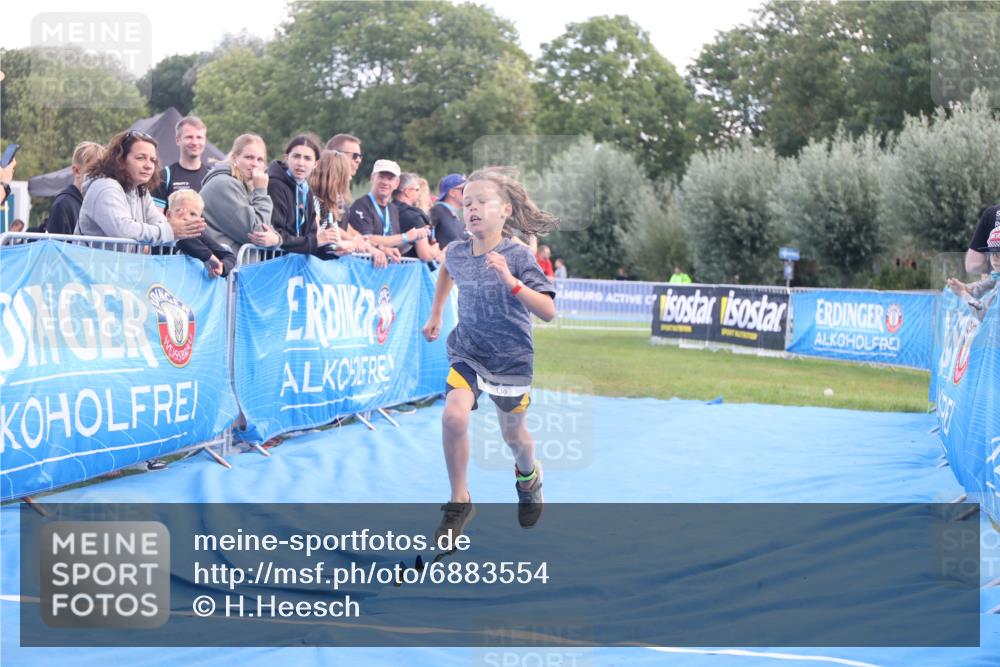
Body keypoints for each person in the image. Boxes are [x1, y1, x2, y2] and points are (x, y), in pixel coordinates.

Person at [422, 166, 558, 540]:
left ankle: (529, 477)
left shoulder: (518, 256)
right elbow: (447, 269)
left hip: (511, 358)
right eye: (467, 203)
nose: (473, 209)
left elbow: (547, 310)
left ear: (506, 210)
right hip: (468, 350)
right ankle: (459, 501)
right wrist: (436, 314)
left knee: (514, 437)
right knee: (453, 417)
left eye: (483, 202)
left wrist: (511, 282)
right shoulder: (457, 251)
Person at [76, 130, 206, 244]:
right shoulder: (105, 187)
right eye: (140, 158)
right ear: (121, 160)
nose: (149, 166)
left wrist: (181, 228)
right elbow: (123, 230)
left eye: (152, 160)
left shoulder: (140, 190)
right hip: (92, 264)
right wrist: (170, 231)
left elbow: (159, 222)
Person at [201, 134, 278, 252]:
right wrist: (261, 191)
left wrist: (276, 239)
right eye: (249, 157)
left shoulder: (243, 185)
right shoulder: (225, 184)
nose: (255, 164)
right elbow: (258, 232)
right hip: (221, 262)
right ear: (234, 157)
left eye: (260, 160)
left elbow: (267, 227)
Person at [308, 149, 387, 265]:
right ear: (335, 176)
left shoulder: (327, 204)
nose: (349, 178)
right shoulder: (312, 200)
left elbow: (334, 241)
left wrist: (356, 245)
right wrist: (351, 244)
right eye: (346, 174)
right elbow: (316, 239)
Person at [267, 134, 341, 255]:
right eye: (296, 156)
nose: (301, 163)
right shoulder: (275, 185)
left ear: (315, 164)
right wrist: (316, 241)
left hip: (295, 261)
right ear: (287, 157)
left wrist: (333, 251)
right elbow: (277, 234)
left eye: (307, 158)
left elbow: (311, 236)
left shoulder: (306, 190)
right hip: (274, 261)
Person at [346, 159, 426, 255]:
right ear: (372, 178)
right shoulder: (361, 206)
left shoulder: (393, 209)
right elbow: (367, 239)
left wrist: (412, 240)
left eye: (390, 179)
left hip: (385, 264)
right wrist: (405, 237)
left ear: (396, 183)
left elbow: (395, 249)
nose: (385, 182)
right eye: (381, 177)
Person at [167, 189, 236, 278]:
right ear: (169, 215)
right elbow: (182, 241)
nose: (186, 217)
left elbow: (229, 256)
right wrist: (211, 258)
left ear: (199, 219)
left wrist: (221, 266)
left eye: (193, 214)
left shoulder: (199, 234)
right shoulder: (161, 231)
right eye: (179, 211)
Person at [151, 116, 210, 212]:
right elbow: (157, 217)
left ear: (205, 140)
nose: (195, 142)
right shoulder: (164, 176)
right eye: (189, 137)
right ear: (178, 140)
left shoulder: (212, 175)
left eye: (199, 137)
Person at [47, 141, 103, 235]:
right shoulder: (63, 205)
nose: (99, 176)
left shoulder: (96, 204)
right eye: (93, 170)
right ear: (77, 171)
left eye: (102, 171)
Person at [949, 226, 1000, 320]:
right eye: (992, 252)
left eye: (999, 253)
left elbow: (982, 312)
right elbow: (982, 286)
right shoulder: (997, 276)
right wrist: (966, 288)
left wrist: (963, 293)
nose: (995, 258)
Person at [393, 172, 442, 261]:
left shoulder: (388, 210)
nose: (419, 193)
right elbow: (425, 255)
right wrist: (435, 248)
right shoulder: (414, 217)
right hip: (409, 268)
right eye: (417, 189)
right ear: (408, 192)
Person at [430, 173, 467, 251]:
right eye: (464, 189)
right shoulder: (437, 210)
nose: (467, 193)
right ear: (452, 192)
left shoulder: (457, 216)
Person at [967, 205, 1000, 275]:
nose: (995, 258)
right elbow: (972, 266)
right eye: (993, 253)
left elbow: (972, 265)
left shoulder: (992, 212)